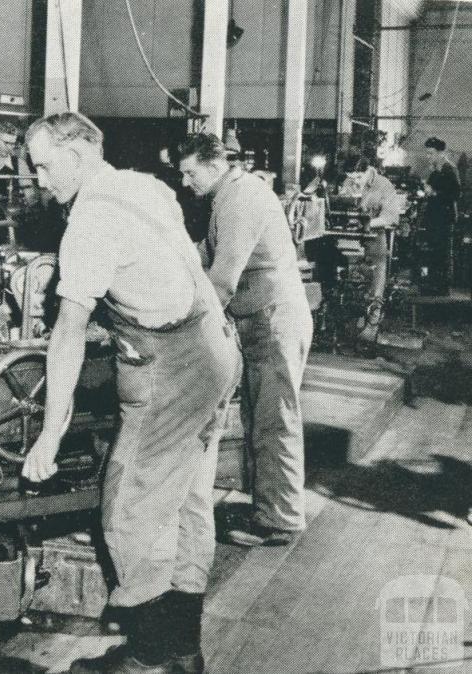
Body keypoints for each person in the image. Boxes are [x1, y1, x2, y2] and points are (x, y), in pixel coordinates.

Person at [23, 112, 240, 674]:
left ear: (75, 154)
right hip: (215, 349)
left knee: (129, 508)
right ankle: (180, 653)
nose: (38, 179)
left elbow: (67, 334)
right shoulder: (142, 184)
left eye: (43, 165)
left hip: (174, 369)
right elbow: (162, 270)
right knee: (188, 501)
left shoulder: (90, 222)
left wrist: (50, 434)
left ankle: (148, 660)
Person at [179, 133, 312, 548]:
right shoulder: (228, 195)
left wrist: (181, 326)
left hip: (273, 321)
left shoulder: (240, 197)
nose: (185, 182)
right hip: (263, 320)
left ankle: (281, 521)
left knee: (275, 419)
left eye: (189, 172)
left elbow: (223, 278)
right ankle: (268, 508)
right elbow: (207, 251)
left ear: (214, 164)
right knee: (262, 418)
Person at [337, 153, 405, 341]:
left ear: (368, 171)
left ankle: (373, 318)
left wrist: (367, 223)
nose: (355, 182)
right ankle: (353, 311)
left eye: (359, 177)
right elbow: (343, 204)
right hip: (351, 234)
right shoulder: (349, 182)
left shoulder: (384, 185)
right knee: (349, 272)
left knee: (377, 269)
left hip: (375, 233)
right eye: (351, 178)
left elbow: (391, 217)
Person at [422, 137, 461, 295]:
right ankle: (433, 284)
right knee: (434, 251)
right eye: (427, 153)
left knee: (441, 252)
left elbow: (456, 194)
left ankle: (441, 287)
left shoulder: (449, 169)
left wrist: (434, 192)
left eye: (431, 153)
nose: (428, 156)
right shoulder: (436, 170)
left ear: (440, 153)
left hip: (444, 217)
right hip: (435, 217)